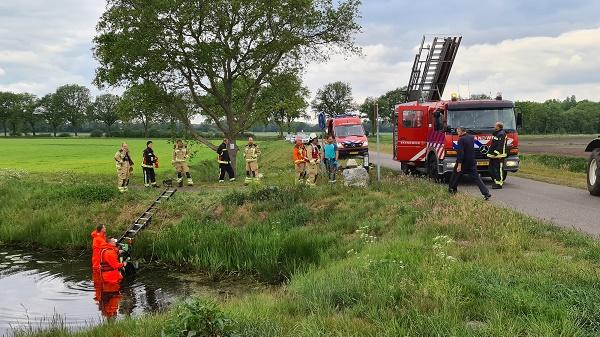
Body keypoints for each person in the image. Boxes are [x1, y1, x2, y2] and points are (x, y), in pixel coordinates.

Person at [448, 127, 492, 200]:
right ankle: (486, 193)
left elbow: (461, 153)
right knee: (477, 178)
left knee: (455, 176)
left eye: (458, 131)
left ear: (462, 132)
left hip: (464, 162)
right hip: (471, 161)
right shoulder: (471, 137)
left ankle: (452, 190)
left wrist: (459, 164)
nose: (457, 133)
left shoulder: (461, 139)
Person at [487, 122, 508, 189]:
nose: (494, 126)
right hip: (493, 155)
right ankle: (496, 181)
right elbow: (494, 144)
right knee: (491, 169)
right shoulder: (497, 134)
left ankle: (499, 184)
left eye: (495, 125)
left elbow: (500, 145)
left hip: (499, 156)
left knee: (498, 169)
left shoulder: (501, 134)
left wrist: (496, 153)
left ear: (498, 127)